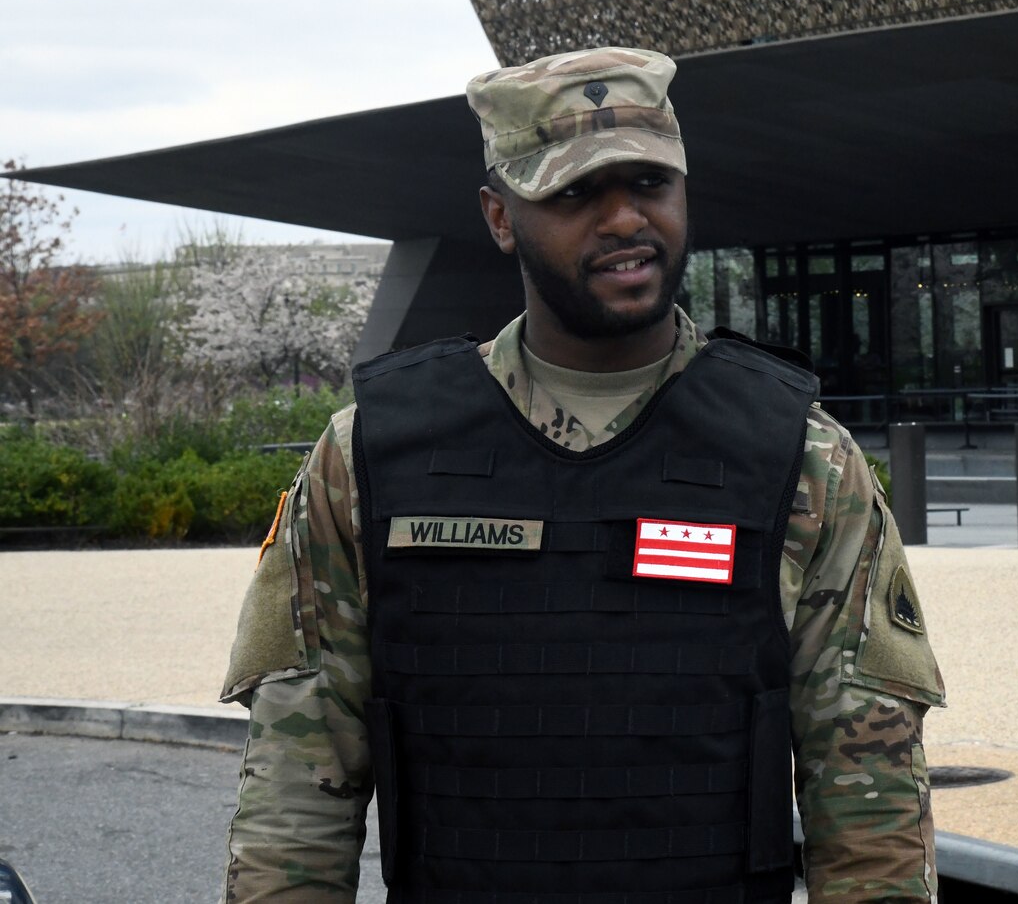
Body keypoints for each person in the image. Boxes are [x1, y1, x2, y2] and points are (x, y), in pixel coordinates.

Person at [219, 47, 945, 903]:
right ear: (499, 216)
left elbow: (868, 806)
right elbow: (295, 798)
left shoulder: (805, 458)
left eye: (649, 183)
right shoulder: (368, 457)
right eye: (573, 193)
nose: (624, 219)